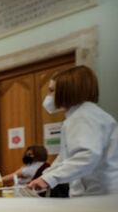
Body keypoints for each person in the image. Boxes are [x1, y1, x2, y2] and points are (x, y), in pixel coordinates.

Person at [29, 66, 118, 196]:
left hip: (98, 195)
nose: (48, 96)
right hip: (99, 195)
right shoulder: (86, 114)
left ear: (66, 91)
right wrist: (45, 176)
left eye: (51, 90)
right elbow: (66, 157)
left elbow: (86, 156)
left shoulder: (83, 116)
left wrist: (49, 178)